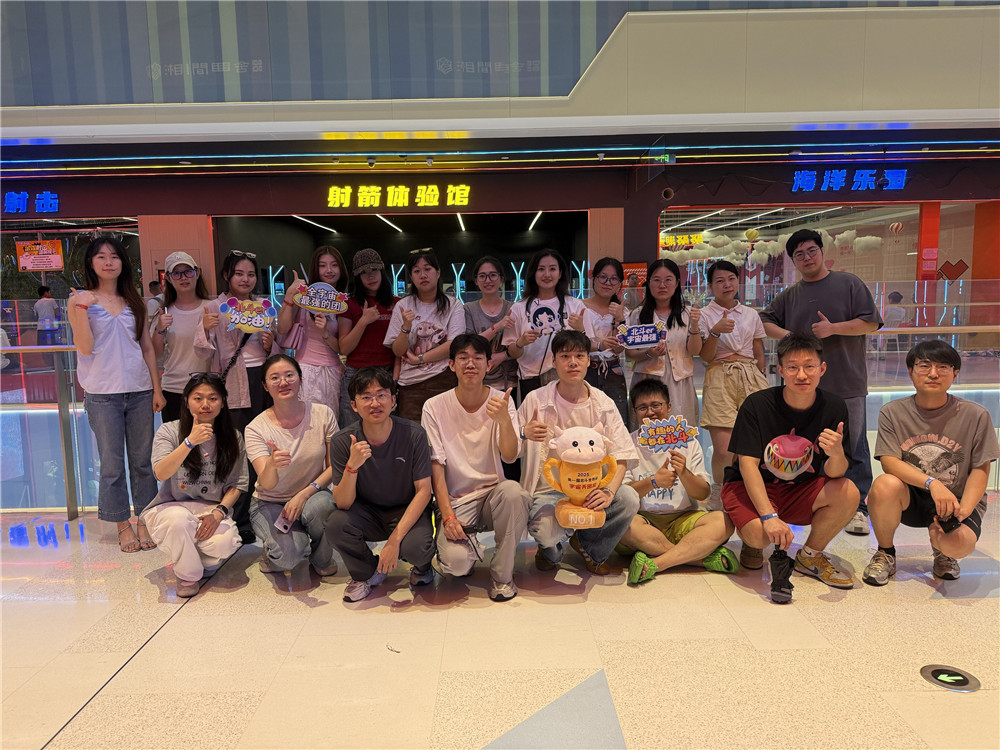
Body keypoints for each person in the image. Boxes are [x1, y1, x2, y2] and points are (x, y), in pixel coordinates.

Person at [759, 228, 882, 537]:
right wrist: (790, 336)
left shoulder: (849, 283)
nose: (806, 257)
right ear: (793, 261)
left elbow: (870, 322)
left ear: (822, 252)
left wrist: (833, 328)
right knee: (805, 444)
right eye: (799, 254)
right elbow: (763, 321)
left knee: (852, 444)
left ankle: (858, 507)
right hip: (803, 386)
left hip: (846, 380)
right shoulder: (791, 295)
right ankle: (814, 500)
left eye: (811, 250)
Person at [722, 332, 859, 604]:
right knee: (759, 536)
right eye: (793, 367)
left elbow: (836, 472)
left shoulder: (834, 407)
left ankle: (810, 556)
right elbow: (747, 465)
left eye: (809, 366)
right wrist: (769, 516)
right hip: (751, 487)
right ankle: (752, 541)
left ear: (822, 368)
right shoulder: (757, 405)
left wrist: (836, 453)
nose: (802, 375)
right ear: (781, 370)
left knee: (849, 491)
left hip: (800, 489)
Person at [863, 341, 999, 585]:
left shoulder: (976, 415)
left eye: (943, 367)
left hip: (955, 499)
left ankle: (943, 551)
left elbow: (981, 468)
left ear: (955, 374)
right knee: (884, 484)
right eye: (924, 366)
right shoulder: (892, 412)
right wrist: (932, 483)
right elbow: (889, 462)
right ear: (910, 372)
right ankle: (885, 552)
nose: (933, 373)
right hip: (912, 497)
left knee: (959, 545)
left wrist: (963, 511)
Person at [67, 237, 165, 553]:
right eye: (101, 256)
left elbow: (146, 347)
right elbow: (84, 347)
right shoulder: (80, 300)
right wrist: (82, 307)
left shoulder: (135, 301)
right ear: (91, 263)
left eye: (114, 256)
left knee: (143, 462)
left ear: (123, 263)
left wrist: (156, 388)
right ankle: (122, 524)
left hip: (139, 390)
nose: (108, 262)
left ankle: (145, 519)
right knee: (111, 463)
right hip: (102, 393)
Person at [518, 330, 640, 575]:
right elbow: (509, 451)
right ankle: (550, 551)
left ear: (588, 361)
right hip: (549, 490)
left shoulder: (603, 403)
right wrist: (523, 432)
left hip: (593, 487)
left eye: (579, 356)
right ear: (554, 361)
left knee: (629, 499)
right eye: (565, 356)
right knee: (546, 533)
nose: (572, 362)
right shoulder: (535, 400)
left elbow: (622, 455)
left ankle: (589, 546)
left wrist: (608, 491)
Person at [422, 334, 532, 601]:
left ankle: (502, 577)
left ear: (488, 365)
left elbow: (510, 456)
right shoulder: (434, 406)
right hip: (457, 501)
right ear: (451, 365)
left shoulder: (501, 401)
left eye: (477, 358)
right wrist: (447, 516)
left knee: (514, 493)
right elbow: (436, 465)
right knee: (456, 566)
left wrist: (504, 420)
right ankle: (463, 552)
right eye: (463, 358)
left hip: (494, 496)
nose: (470, 364)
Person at [325, 367, 435, 602]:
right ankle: (365, 572)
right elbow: (343, 503)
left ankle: (423, 568)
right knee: (336, 524)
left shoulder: (414, 434)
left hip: (406, 508)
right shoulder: (343, 441)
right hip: (368, 512)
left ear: (393, 400)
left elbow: (424, 491)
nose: (374, 403)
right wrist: (352, 466)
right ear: (354, 405)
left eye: (381, 395)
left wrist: (394, 541)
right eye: (366, 397)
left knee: (418, 548)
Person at [617, 378, 738, 583]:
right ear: (635, 412)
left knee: (723, 521)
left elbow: (703, 493)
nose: (650, 412)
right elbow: (624, 495)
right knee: (623, 525)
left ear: (669, 407)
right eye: (642, 408)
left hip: (683, 517)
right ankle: (697, 558)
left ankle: (658, 562)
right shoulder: (628, 444)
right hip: (644, 519)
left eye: (656, 405)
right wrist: (653, 481)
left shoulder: (688, 442)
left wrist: (684, 473)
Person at [195, 250, 275, 543]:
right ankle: (238, 517)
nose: (245, 279)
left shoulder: (264, 306)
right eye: (239, 273)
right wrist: (205, 330)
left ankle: (262, 510)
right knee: (238, 450)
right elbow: (202, 353)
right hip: (232, 383)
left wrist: (270, 343)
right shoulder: (214, 307)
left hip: (262, 381)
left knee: (264, 446)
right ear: (227, 275)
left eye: (251, 274)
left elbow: (275, 350)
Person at [143, 373, 246, 597]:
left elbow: (237, 484)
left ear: (223, 402)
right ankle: (188, 576)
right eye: (198, 398)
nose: (205, 404)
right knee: (178, 521)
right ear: (187, 401)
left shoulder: (233, 437)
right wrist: (189, 442)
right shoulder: (169, 431)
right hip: (171, 507)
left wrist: (219, 513)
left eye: (213, 398)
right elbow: (160, 473)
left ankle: (201, 561)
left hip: (211, 509)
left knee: (225, 543)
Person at [244, 355, 339, 576]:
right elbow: (267, 483)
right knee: (287, 557)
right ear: (265, 386)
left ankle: (321, 560)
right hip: (269, 502)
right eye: (274, 378)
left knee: (324, 506)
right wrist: (271, 465)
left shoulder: (323, 414)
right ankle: (279, 549)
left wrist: (305, 494)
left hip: (313, 495)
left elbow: (334, 467)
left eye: (289, 375)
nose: (283, 382)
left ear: (300, 378)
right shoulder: (256, 428)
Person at [698, 260, 769, 509]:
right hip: (719, 374)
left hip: (751, 375)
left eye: (731, 279)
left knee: (755, 444)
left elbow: (758, 351)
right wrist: (715, 331)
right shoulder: (705, 315)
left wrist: (761, 375)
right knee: (723, 449)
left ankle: (748, 492)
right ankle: (719, 490)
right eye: (719, 281)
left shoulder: (750, 314)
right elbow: (705, 356)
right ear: (710, 286)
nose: (726, 285)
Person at [384, 249, 465, 422]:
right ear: (411, 277)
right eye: (416, 271)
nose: (423, 275)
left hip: (444, 379)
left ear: (438, 272)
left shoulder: (453, 305)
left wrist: (420, 359)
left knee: (445, 432)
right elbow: (397, 350)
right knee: (412, 434)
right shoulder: (403, 305)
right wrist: (406, 327)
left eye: (427, 269)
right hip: (410, 384)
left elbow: (454, 344)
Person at [624, 259, 702, 426]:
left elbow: (695, 351)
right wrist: (649, 353)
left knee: (680, 431)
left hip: (679, 383)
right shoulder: (637, 315)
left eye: (668, 280)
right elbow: (629, 353)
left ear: (677, 283)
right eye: (656, 280)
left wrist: (695, 326)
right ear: (649, 283)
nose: (662, 285)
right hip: (646, 381)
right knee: (647, 432)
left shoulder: (688, 314)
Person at [503, 249, 590, 398]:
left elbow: (588, 348)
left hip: (567, 375)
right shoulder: (519, 308)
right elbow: (512, 352)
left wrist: (581, 330)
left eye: (552, 269)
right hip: (531, 377)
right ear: (533, 273)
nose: (547, 274)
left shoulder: (575, 305)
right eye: (541, 269)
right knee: (533, 413)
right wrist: (520, 343)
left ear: (560, 273)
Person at [276, 245, 346, 415]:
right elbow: (282, 328)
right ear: (315, 268)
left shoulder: (344, 302)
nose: (329, 270)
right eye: (322, 265)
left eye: (334, 265)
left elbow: (342, 348)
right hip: (305, 369)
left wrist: (325, 333)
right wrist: (290, 295)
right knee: (306, 420)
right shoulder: (305, 297)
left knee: (331, 420)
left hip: (333, 370)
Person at [337, 248, 398, 427]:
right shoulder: (349, 304)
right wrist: (363, 321)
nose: (370, 276)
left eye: (374, 270)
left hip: (387, 374)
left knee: (386, 430)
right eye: (364, 272)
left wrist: (396, 378)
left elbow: (401, 347)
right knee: (352, 430)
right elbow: (344, 348)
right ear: (357, 277)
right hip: (356, 373)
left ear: (382, 271)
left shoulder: (397, 303)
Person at [151, 252, 215, 422]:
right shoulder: (164, 313)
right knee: (177, 438)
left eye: (188, 271)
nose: (183, 277)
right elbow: (155, 354)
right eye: (177, 273)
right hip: (174, 388)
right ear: (168, 279)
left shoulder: (211, 308)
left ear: (197, 273)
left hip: (207, 388)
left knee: (208, 437)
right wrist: (159, 329)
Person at [583, 257, 629, 427]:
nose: (608, 283)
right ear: (593, 278)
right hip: (585, 369)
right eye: (603, 277)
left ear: (619, 284)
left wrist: (620, 319)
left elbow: (619, 349)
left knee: (616, 422)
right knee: (585, 422)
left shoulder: (623, 311)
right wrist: (599, 345)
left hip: (613, 370)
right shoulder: (579, 307)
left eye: (613, 279)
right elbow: (574, 344)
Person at [463, 256, 517, 393]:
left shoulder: (514, 308)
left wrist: (503, 356)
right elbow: (469, 344)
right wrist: (498, 326)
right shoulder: (468, 309)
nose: (488, 280)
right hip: (477, 382)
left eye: (493, 275)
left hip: (509, 382)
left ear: (501, 278)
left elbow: (520, 345)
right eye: (482, 276)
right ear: (476, 281)